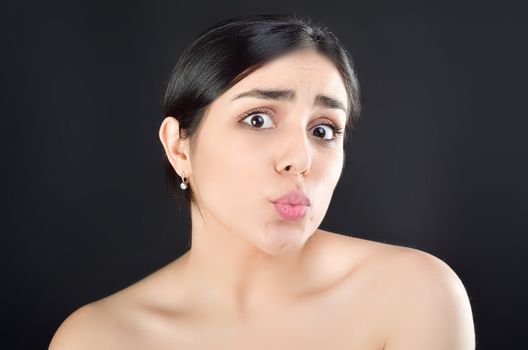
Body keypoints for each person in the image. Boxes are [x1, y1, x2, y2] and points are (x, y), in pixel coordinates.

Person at [49, 14, 475, 349]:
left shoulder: (414, 295)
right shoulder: (97, 340)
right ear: (180, 147)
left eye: (324, 129)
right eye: (258, 119)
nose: (300, 159)